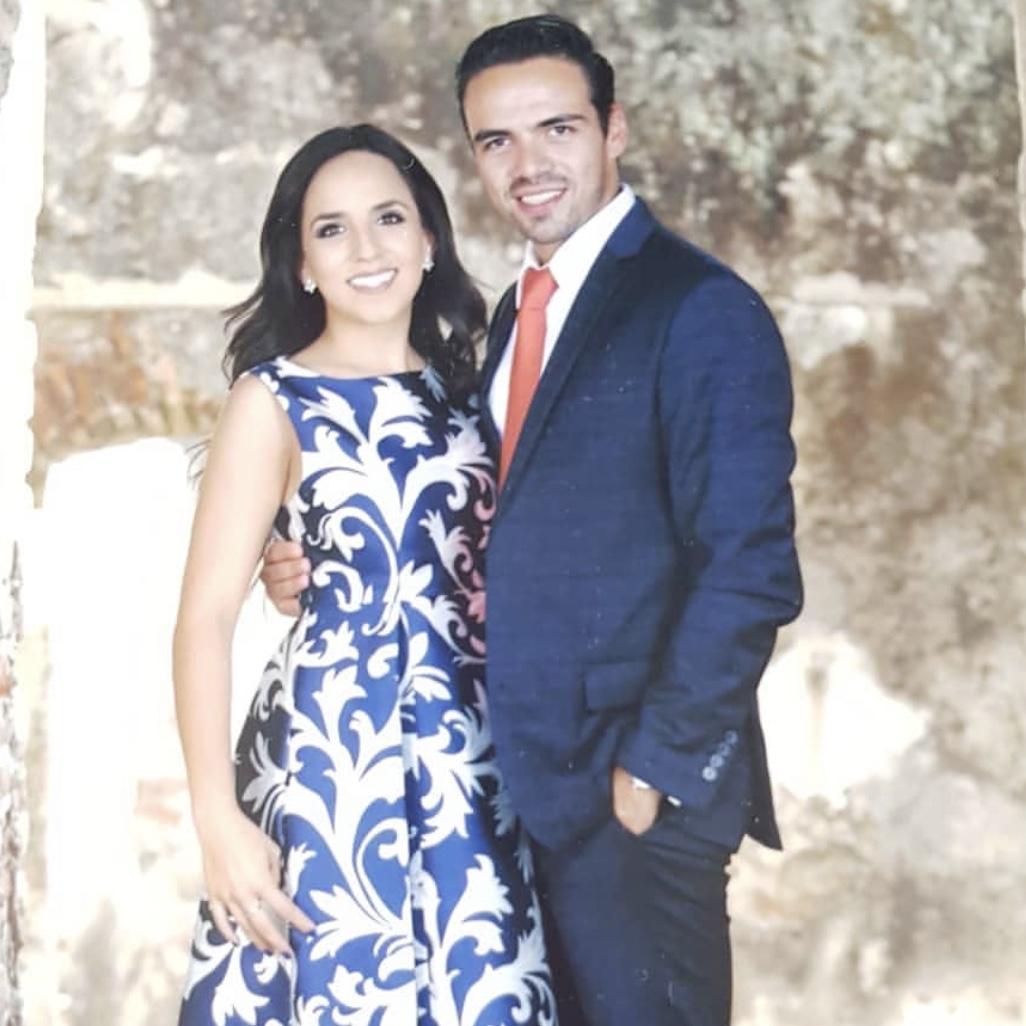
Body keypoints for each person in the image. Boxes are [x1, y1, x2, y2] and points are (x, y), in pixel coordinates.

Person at [264, 15, 802, 1026]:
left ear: (614, 129)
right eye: (496, 141)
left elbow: (751, 569)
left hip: (630, 799)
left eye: (557, 129)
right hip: (513, 791)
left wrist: (653, 769)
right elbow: (498, 519)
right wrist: (315, 560)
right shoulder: (517, 311)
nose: (528, 165)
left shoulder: (698, 307)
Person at [173, 123, 558, 1026]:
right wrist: (217, 821)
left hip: (477, 765)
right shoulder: (271, 399)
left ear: (428, 239)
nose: (367, 248)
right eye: (332, 229)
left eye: (388, 218)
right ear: (301, 264)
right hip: (326, 766)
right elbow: (202, 620)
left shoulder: (481, 395)